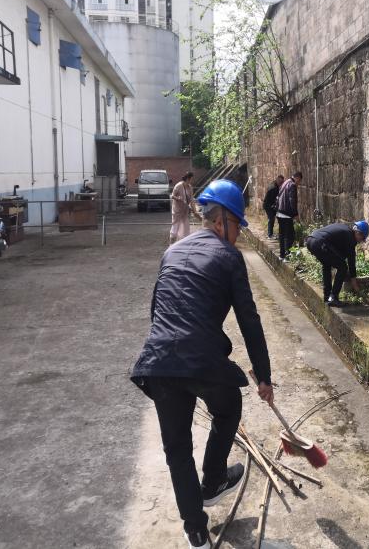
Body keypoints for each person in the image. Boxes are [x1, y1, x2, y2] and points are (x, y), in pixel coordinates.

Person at [130, 179, 274, 549]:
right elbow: (249, 319)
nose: (238, 236)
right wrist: (264, 376)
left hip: (158, 361)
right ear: (222, 220)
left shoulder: (172, 252)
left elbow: (156, 311)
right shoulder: (229, 257)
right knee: (229, 406)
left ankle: (195, 531)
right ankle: (212, 482)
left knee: (176, 448)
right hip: (200, 359)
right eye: (238, 227)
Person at [306, 220, 369, 307]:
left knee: (327, 265)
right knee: (343, 267)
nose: (360, 241)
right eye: (362, 239)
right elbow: (351, 262)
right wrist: (355, 284)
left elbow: (339, 254)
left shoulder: (345, 231)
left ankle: (327, 297)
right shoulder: (350, 238)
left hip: (311, 240)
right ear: (358, 233)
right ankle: (333, 298)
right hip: (320, 242)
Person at [276, 171, 302, 260]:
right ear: (297, 178)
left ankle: (281, 255)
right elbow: (292, 201)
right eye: (299, 181)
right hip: (286, 214)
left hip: (279, 212)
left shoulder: (285, 182)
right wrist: (295, 214)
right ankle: (287, 256)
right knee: (289, 235)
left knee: (282, 235)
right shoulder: (292, 185)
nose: (298, 183)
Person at [170, 172, 200, 244]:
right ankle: (171, 244)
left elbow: (191, 200)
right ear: (188, 178)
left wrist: (195, 211)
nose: (192, 180)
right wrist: (178, 198)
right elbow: (172, 196)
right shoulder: (178, 185)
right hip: (177, 211)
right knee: (175, 229)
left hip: (185, 211)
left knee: (186, 229)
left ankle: (184, 244)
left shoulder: (190, 187)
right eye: (191, 179)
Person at [262, 175, 284, 239]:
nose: (281, 184)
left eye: (282, 182)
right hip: (268, 205)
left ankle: (270, 234)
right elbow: (272, 199)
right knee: (271, 219)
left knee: (272, 219)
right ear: (277, 180)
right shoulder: (274, 188)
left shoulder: (274, 184)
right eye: (280, 182)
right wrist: (274, 206)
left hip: (270, 205)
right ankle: (270, 235)